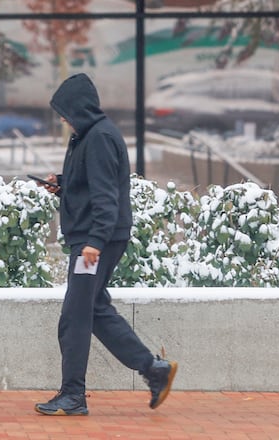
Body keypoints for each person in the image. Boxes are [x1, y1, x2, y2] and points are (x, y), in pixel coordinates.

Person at [33, 73, 177, 416]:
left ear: (79, 109)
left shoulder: (98, 137)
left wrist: (95, 241)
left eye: (65, 112)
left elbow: (106, 195)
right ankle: (153, 369)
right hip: (95, 237)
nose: (63, 119)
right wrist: (64, 184)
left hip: (95, 240)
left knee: (74, 317)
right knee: (93, 310)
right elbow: (93, 183)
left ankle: (73, 396)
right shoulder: (90, 135)